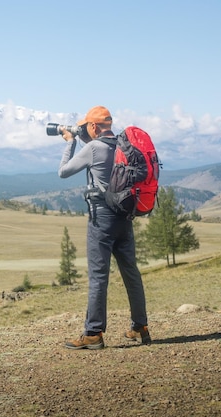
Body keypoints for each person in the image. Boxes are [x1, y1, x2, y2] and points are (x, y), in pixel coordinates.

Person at [58, 105, 151, 349]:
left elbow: (63, 172)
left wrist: (70, 141)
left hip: (101, 219)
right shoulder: (123, 145)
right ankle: (140, 327)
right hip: (125, 215)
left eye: (86, 127)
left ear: (92, 126)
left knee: (99, 276)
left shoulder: (94, 147)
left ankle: (93, 333)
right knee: (131, 272)